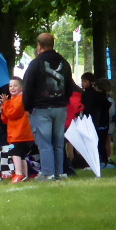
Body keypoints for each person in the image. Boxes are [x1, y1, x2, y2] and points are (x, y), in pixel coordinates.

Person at [22, 33, 77, 181]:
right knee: (58, 142)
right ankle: (59, 172)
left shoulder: (35, 64)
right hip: (60, 107)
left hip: (41, 108)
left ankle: (48, 174)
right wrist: (63, 100)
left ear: (39, 46)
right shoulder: (64, 63)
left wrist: (27, 107)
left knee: (45, 142)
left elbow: (28, 86)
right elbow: (69, 86)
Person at [0, 77, 33, 182]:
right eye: (10, 86)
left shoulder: (21, 99)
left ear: (21, 87)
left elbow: (12, 113)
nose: (12, 88)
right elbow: (6, 119)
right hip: (15, 133)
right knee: (21, 154)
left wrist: (5, 104)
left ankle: (18, 173)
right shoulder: (12, 100)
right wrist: (3, 109)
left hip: (20, 133)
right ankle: (25, 175)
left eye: (15, 86)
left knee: (15, 152)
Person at [79, 72, 112, 167]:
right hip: (97, 120)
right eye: (82, 81)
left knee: (95, 142)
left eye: (85, 81)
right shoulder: (95, 94)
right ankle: (101, 160)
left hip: (93, 120)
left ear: (91, 82)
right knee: (99, 142)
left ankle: (96, 160)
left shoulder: (89, 94)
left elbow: (88, 108)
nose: (83, 83)